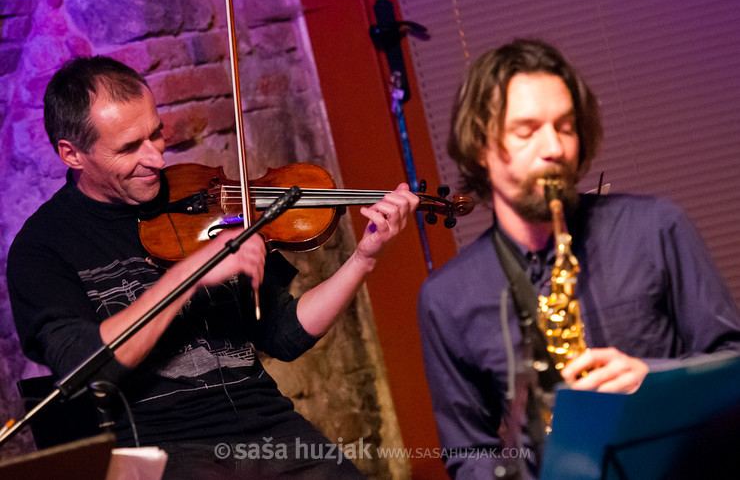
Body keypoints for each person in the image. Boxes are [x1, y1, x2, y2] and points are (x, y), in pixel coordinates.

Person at [7, 55, 419, 478]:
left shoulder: (203, 199)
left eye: (156, 134)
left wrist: (363, 260)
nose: (156, 159)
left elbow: (282, 334)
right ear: (72, 154)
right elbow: (87, 366)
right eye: (130, 148)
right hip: (161, 450)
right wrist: (192, 273)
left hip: (270, 430)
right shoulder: (42, 250)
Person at [417, 39, 740, 478]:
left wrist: (653, 379)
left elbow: (733, 364)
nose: (554, 148)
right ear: (479, 145)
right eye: (526, 130)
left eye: (565, 127)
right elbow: (468, 453)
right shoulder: (446, 299)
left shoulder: (655, 227)